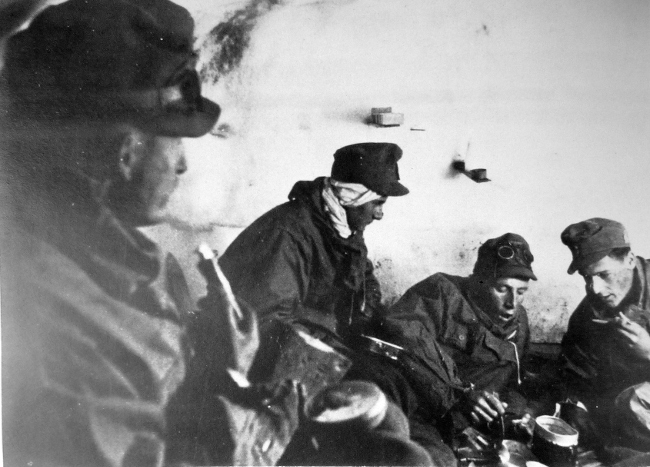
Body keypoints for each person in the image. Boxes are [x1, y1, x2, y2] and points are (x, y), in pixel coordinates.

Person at [0, 1, 302, 465]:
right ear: (125, 152)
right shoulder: (48, 300)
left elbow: (150, 407)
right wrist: (253, 442)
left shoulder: (119, 255)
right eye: (176, 140)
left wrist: (217, 365)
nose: (182, 164)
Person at [218, 142, 408, 370]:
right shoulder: (287, 234)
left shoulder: (343, 229)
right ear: (350, 197)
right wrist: (343, 354)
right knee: (382, 383)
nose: (380, 215)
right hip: (268, 354)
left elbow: (364, 280)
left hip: (317, 338)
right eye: (377, 203)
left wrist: (368, 320)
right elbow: (269, 324)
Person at [356, 233, 538, 463]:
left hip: (458, 424)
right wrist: (460, 392)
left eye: (521, 292)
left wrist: (515, 416)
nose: (512, 303)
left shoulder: (519, 324)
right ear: (479, 281)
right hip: (413, 410)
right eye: (502, 289)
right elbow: (404, 337)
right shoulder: (442, 292)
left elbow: (514, 383)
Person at [560, 218, 650, 452]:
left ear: (629, 260)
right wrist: (575, 406)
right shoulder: (587, 315)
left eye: (604, 274)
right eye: (587, 277)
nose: (595, 288)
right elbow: (575, 374)